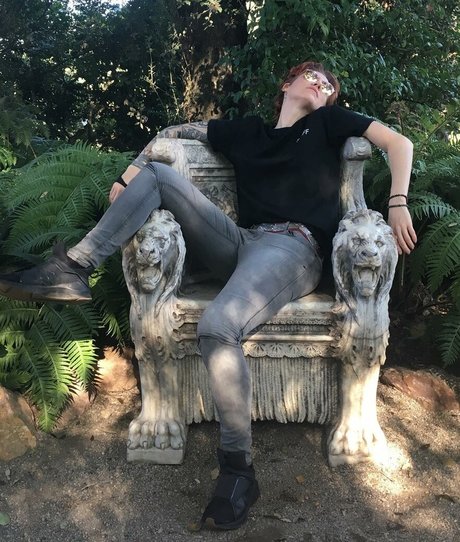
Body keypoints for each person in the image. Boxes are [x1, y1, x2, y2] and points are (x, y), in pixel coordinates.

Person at [0, 61, 417, 530]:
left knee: (218, 325)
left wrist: (397, 203)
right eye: (313, 76)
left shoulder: (328, 122)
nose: (322, 85)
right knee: (157, 177)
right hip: (239, 242)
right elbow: (172, 133)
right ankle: (72, 268)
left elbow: (399, 144)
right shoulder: (248, 132)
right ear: (287, 84)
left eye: (329, 86)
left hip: (292, 247)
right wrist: (129, 173)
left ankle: (238, 472)